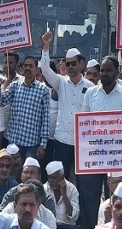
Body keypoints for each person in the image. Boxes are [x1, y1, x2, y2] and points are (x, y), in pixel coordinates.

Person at [77, 55, 122, 229]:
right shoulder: (91, 93)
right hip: (93, 155)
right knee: (89, 198)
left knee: (114, 199)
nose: (104, 74)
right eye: (102, 70)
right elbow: (84, 124)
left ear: (117, 72)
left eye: (108, 70)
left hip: (117, 156)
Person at [39, 32, 94, 177]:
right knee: (59, 179)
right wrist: (46, 47)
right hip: (62, 141)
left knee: (81, 181)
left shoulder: (90, 87)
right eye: (67, 64)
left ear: (81, 64)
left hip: (82, 143)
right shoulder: (61, 82)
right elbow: (45, 70)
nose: (70, 67)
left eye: (73, 63)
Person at [0, 51, 51, 160]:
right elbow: (0, 102)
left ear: (36, 69)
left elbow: (45, 119)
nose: (27, 68)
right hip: (13, 141)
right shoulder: (15, 86)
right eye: (25, 65)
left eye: (31, 66)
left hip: (31, 144)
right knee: (12, 173)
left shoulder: (43, 89)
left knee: (28, 175)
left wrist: (43, 144)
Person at [45, 161, 81, 229]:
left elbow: (73, 217)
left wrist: (64, 194)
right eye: (49, 177)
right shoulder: (44, 189)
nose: (51, 181)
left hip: (67, 228)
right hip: (51, 225)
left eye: (54, 178)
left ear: (62, 178)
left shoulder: (72, 189)